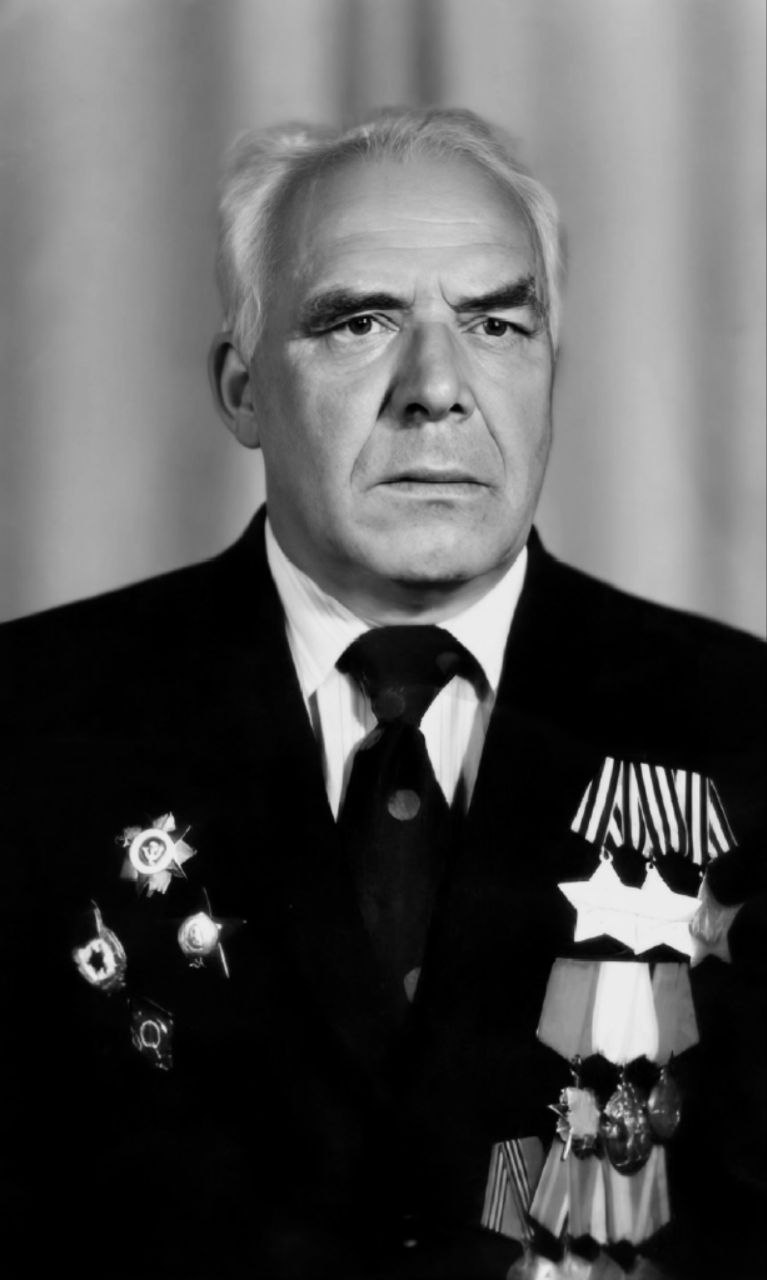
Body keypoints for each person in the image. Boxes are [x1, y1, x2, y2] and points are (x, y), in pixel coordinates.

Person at [1, 108, 764, 1280]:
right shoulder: (28, 724)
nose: (436, 388)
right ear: (242, 388)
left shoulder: (743, 728)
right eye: (358, 323)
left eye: (495, 323)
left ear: (548, 372)